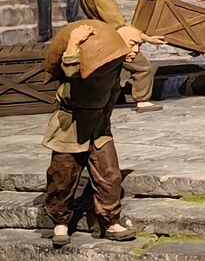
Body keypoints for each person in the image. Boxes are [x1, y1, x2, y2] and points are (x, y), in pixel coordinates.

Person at [42, 21, 149, 245]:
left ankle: (110, 222)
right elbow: (72, 71)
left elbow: (138, 74)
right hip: (71, 125)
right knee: (62, 176)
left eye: (139, 45)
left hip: (99, 126)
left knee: (109, 175)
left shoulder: (120, 64)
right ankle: (60, 222)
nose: (136, 50)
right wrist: (74, 42)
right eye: (133, 44)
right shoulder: (94, 56)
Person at [80, 0, 161, 112]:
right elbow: (117, 22)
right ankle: (142, 100)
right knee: (143, 67)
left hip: (103, 36)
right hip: (115, 38)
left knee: (116, 70)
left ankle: (114, 97)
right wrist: (145, 37)